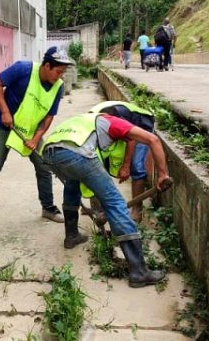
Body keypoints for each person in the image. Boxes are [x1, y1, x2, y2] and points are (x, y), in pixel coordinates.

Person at [40, 112, 171, 288]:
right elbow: (152, 140)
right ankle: (139, 271)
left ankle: (71, 236)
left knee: (72, 185)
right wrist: (162, 174)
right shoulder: (116, 123)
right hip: (75, 152)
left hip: (50, 154)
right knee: (115, 203)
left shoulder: (87, 120)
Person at [0, 47, 74, 223]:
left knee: (44, 167)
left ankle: (48, 207)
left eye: (63, 73)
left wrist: (36, 138)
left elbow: (49, 116)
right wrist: (5, 112)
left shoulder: (58, 87)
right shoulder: (23, 69)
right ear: (46, 65)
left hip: (31, 131)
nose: (60, 76)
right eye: (58, 72)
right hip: (5, 126)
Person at [89, 101, 155, 222]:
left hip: (141, 125)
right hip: (115, 123)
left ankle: (137, 209)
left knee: (136, 167)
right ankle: (99, 206)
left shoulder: (113, 121)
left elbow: (131, 140)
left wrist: (126, 165)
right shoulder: (89, 126)